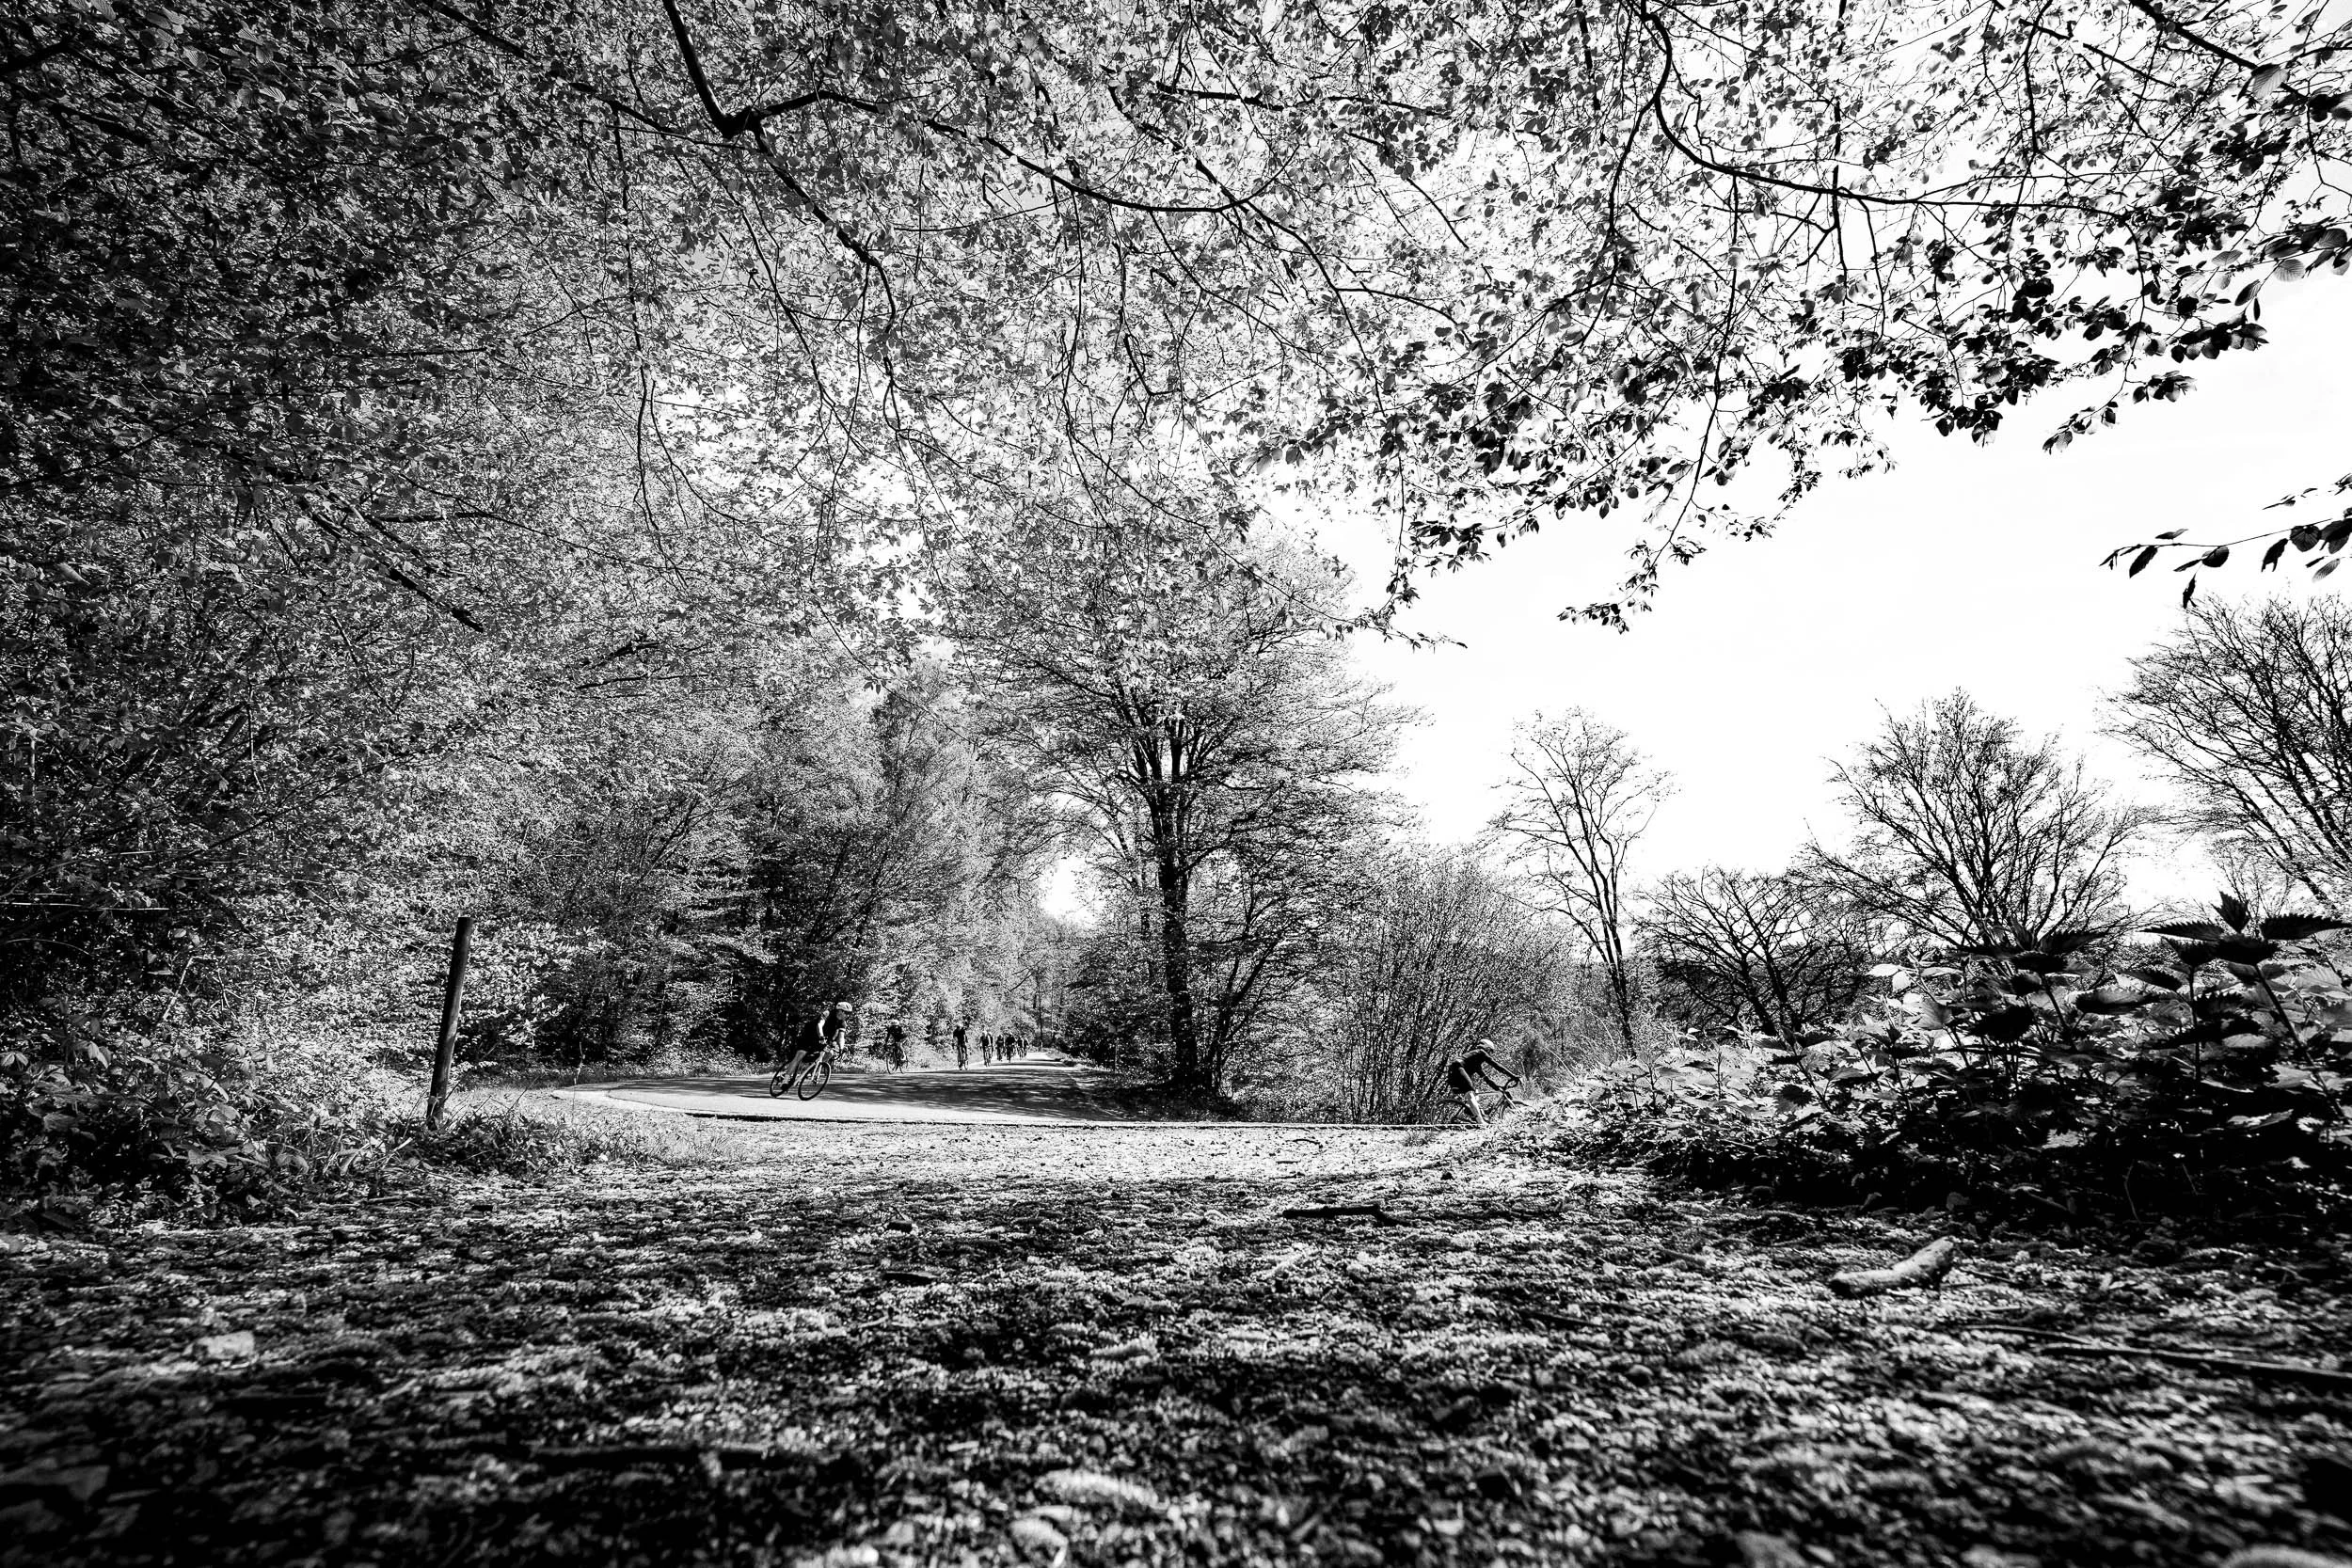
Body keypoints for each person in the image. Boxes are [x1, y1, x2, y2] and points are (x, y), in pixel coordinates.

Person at [1436, 1038, 1519, 1126]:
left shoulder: (1475, 1062)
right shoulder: (1480, 1052)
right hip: (1457, 1068)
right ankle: (1480, 1121)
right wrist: (1513, 1076)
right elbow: (1497, 1066)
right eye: (1491, 1051)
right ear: (1487, 1048)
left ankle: (1471, 1110)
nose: (1490, 1054)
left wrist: (1497, 1087)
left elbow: (1486, 1078)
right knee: (1470, 1092)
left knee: (1475, 1093)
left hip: (1454, 1073)